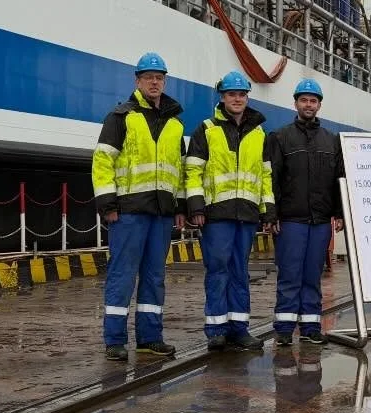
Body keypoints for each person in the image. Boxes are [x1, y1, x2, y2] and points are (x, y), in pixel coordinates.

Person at [92, 52, 185, 361]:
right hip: (129, 211)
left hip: (160, 213)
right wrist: (108, 204)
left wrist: (180, 207)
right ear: (138, 81)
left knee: (154, 277)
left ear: (165, 81)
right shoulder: (120, 117)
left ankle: (150, 337)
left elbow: (180, 171)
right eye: (148, 77)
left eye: (159, 77)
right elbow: (103, 161)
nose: (154, 82)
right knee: (122, 275)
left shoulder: (174, 125)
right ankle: (115, 339)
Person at [184, 70, 275, 353]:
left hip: (246, 214)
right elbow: (193, 171)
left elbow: (265, 176)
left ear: (247, 97)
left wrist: (268, 211)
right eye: (232, 94)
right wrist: (196, 206)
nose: (237, 99)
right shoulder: (206, 130)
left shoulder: (259, 134)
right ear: (222, 97)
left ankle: (239, 328)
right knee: (218, 270)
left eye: (241, 94)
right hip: (216, 214)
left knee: (240, 271)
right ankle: (216, 330)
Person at [263, 79, 343, 347]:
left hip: (320, 221)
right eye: (304, 100)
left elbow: (339, 179)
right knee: (289, 274)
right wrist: (271, 214)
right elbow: (270, 179)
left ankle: (311, 326)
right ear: (296, 103)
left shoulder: (331, 140)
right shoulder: (280, 137)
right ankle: (284, 329)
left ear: (319, 105)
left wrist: (339, 212)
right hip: (291, 219)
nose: (309, 105)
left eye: (313, 101)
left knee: (313, 275)